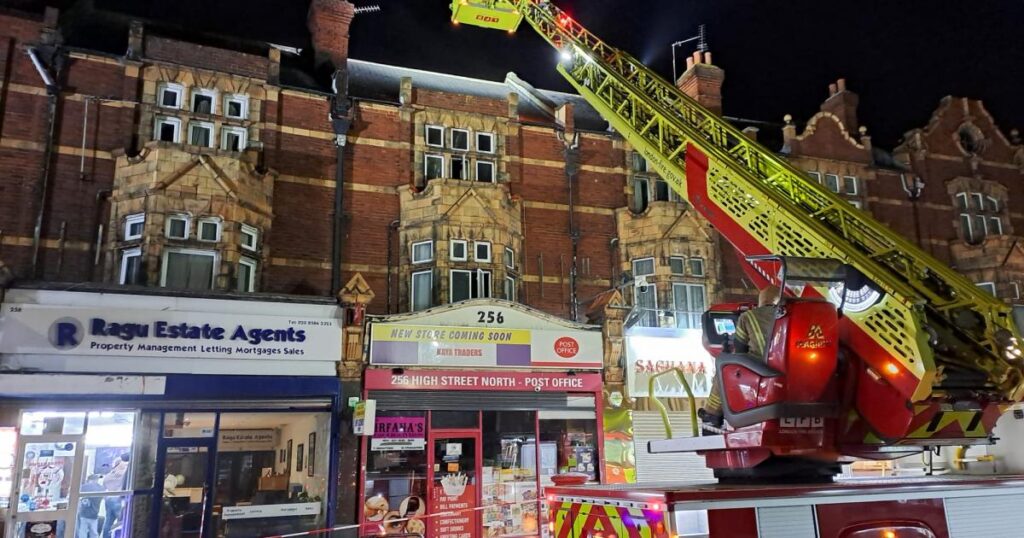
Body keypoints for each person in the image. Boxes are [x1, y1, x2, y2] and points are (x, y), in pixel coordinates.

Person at [701, 285, 781, 428]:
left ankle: (712, 412)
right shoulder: (787, 317)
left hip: (759, 368)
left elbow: (740, 349)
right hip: (784, 367)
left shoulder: (748, 316)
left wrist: (726, 350)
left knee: (724, 367)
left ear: (761, 301)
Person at [101, 453, 130, 538]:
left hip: (108, 498)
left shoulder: (108, 475)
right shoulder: (123, 473)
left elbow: (104, 485)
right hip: (118, 499)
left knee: (108, 521)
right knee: (121, 521)